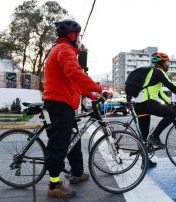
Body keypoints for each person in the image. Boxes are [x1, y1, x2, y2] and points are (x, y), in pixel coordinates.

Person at [42, 19, 104, 198]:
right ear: (71, 35)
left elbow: (72, 80)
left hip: (64, 102)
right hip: (59, 103)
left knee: (73, 139)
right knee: (59, 144)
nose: (79, 39)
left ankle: (77, 173)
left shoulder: (63, 50)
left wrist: (90, 93)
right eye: (78, 35)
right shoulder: (64, 50)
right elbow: (75, 73)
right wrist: (98, 88)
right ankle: (54, 185)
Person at [134, 52, 176, 168]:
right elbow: (172, 87)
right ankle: (155, 136)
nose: (168, 65)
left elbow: (160, 92)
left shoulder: (150, 73)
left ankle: (145, 161)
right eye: (167, 63)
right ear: (161, 63)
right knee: (173, 112)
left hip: (138, 105)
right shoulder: (158, 72)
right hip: (147, 103)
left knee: (144, 136)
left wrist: (169, 102)